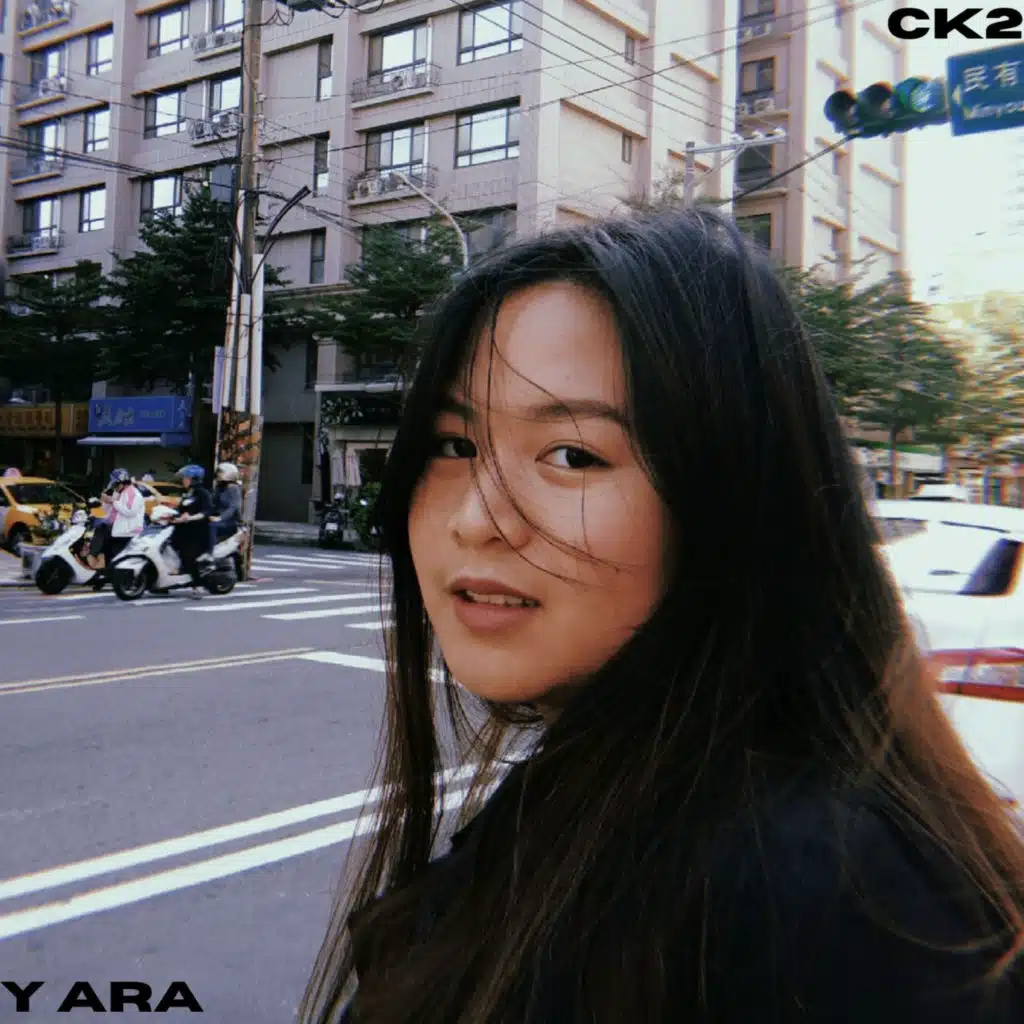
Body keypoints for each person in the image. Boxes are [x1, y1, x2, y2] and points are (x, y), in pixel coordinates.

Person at [300, 211, 1024, 1024]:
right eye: (453, 446)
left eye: (573, 455)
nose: (475, 519)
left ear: (732, 501)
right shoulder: (605, 793)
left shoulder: (823, 896)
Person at [169, 464, 212, 599]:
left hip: (197, 531)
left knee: (189, 556)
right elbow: (180, 511)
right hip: (183, 530)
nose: (184, 480)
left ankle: (197, 585)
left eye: (186, 478)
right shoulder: (187, 493)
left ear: (194, 479)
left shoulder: (203, 493)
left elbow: (206, 512)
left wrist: (191, 518)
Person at [210, 462, 242, 544]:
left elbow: (233, 508)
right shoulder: (219, 488)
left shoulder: (234, 488)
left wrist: (220, 518)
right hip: (219, 519)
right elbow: (212, 503)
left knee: (212, 526)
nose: (217, 474)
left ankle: (210, 550)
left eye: (220, 472)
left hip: (230, 521)